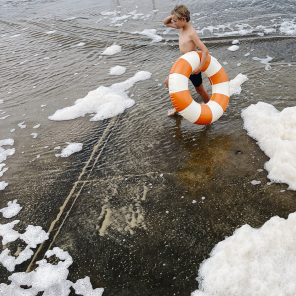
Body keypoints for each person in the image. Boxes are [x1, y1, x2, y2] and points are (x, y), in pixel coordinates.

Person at [163, 4, 210, 116]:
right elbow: (165, 22)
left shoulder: (191, 33)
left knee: (199, 90)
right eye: (173, 21)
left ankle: (211, 108)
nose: (173, 23)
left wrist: (199, 68)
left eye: (175, 21)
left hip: (192, 66)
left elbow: (205, 51)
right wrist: (173, 15)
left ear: (183, 19)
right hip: (183, 64)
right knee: (168, 82)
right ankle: (178, 106)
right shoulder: (181, 27)